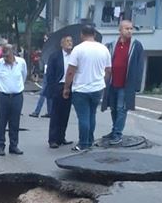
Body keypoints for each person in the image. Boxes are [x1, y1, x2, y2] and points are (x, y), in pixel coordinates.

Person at [63, 24, 112, 152]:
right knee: (92, 115)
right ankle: (90, 140)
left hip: (81, 88)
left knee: (83, 117)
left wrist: (66, 87)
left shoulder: (78, 49)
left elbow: (70, 71)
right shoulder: (104, 49)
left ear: (82, 35)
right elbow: (108, 70)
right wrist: (103, 82)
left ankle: (83, 143)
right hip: (97, 88)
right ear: (94, 34)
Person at [101, 20, 146, 145]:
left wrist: (137, 84)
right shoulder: (111, 45)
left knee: (122, 109)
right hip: (112, 82)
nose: (130, 31)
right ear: (120, 30)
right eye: (127, 28)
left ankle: (117, 134)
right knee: (113, 108)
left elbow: (140, 66)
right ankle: (114, 130)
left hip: (126, 84)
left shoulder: (136, 45)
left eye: (131, 28)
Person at [0, 44, 27, 156]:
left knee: (15, 122)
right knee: (2, 122)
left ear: (13, 53)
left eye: (8, 55)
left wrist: (16, 87)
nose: (6, 58)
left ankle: (14, 145)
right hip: (3, 97)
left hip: (17, 96)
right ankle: (0, 146)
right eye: (4, 55)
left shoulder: (21, 63)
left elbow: (23, 76)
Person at [45, 35, 75, 147]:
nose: (70, 43)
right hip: (58, 86)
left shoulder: (74, 56)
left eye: (71, 41)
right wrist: (53, 89)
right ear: (61, 44)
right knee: (56, 114)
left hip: (70, 86)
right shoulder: (55, 56)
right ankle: (52, 139)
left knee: (65, 113)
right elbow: (50, 74)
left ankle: (61, 137)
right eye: (67, 41)